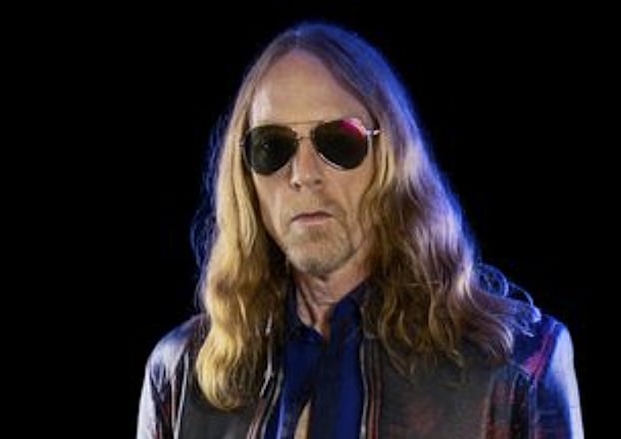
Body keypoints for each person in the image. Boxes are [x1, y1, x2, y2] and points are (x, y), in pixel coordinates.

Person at [136, 21, 583, 438]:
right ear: (245, 175)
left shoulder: (516, 364)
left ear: (392, 158)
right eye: (272, 146)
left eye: (339, 141)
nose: (303, 174)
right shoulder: (181, 371)